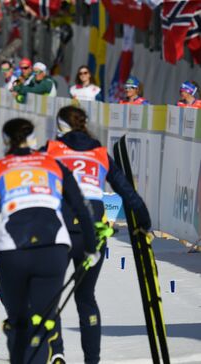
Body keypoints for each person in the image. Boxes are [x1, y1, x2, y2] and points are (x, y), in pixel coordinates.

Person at [0, 118, 100, 364]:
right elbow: (82, 207)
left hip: (14, 251)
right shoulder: (53, 164)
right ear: (33, 139)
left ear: (5, 141)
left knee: (19, 321)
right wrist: (91, 247)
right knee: (42, 321)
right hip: (53, 249)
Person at [44, 105, 152, 364]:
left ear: (60, 127)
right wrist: (143, 224)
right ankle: (92, 360)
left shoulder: (51, 148)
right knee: (86, 296)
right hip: (92, 229)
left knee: (47, 295)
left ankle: (56, 350)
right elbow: (128, 193)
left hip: (60, 227)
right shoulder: (101, 153)